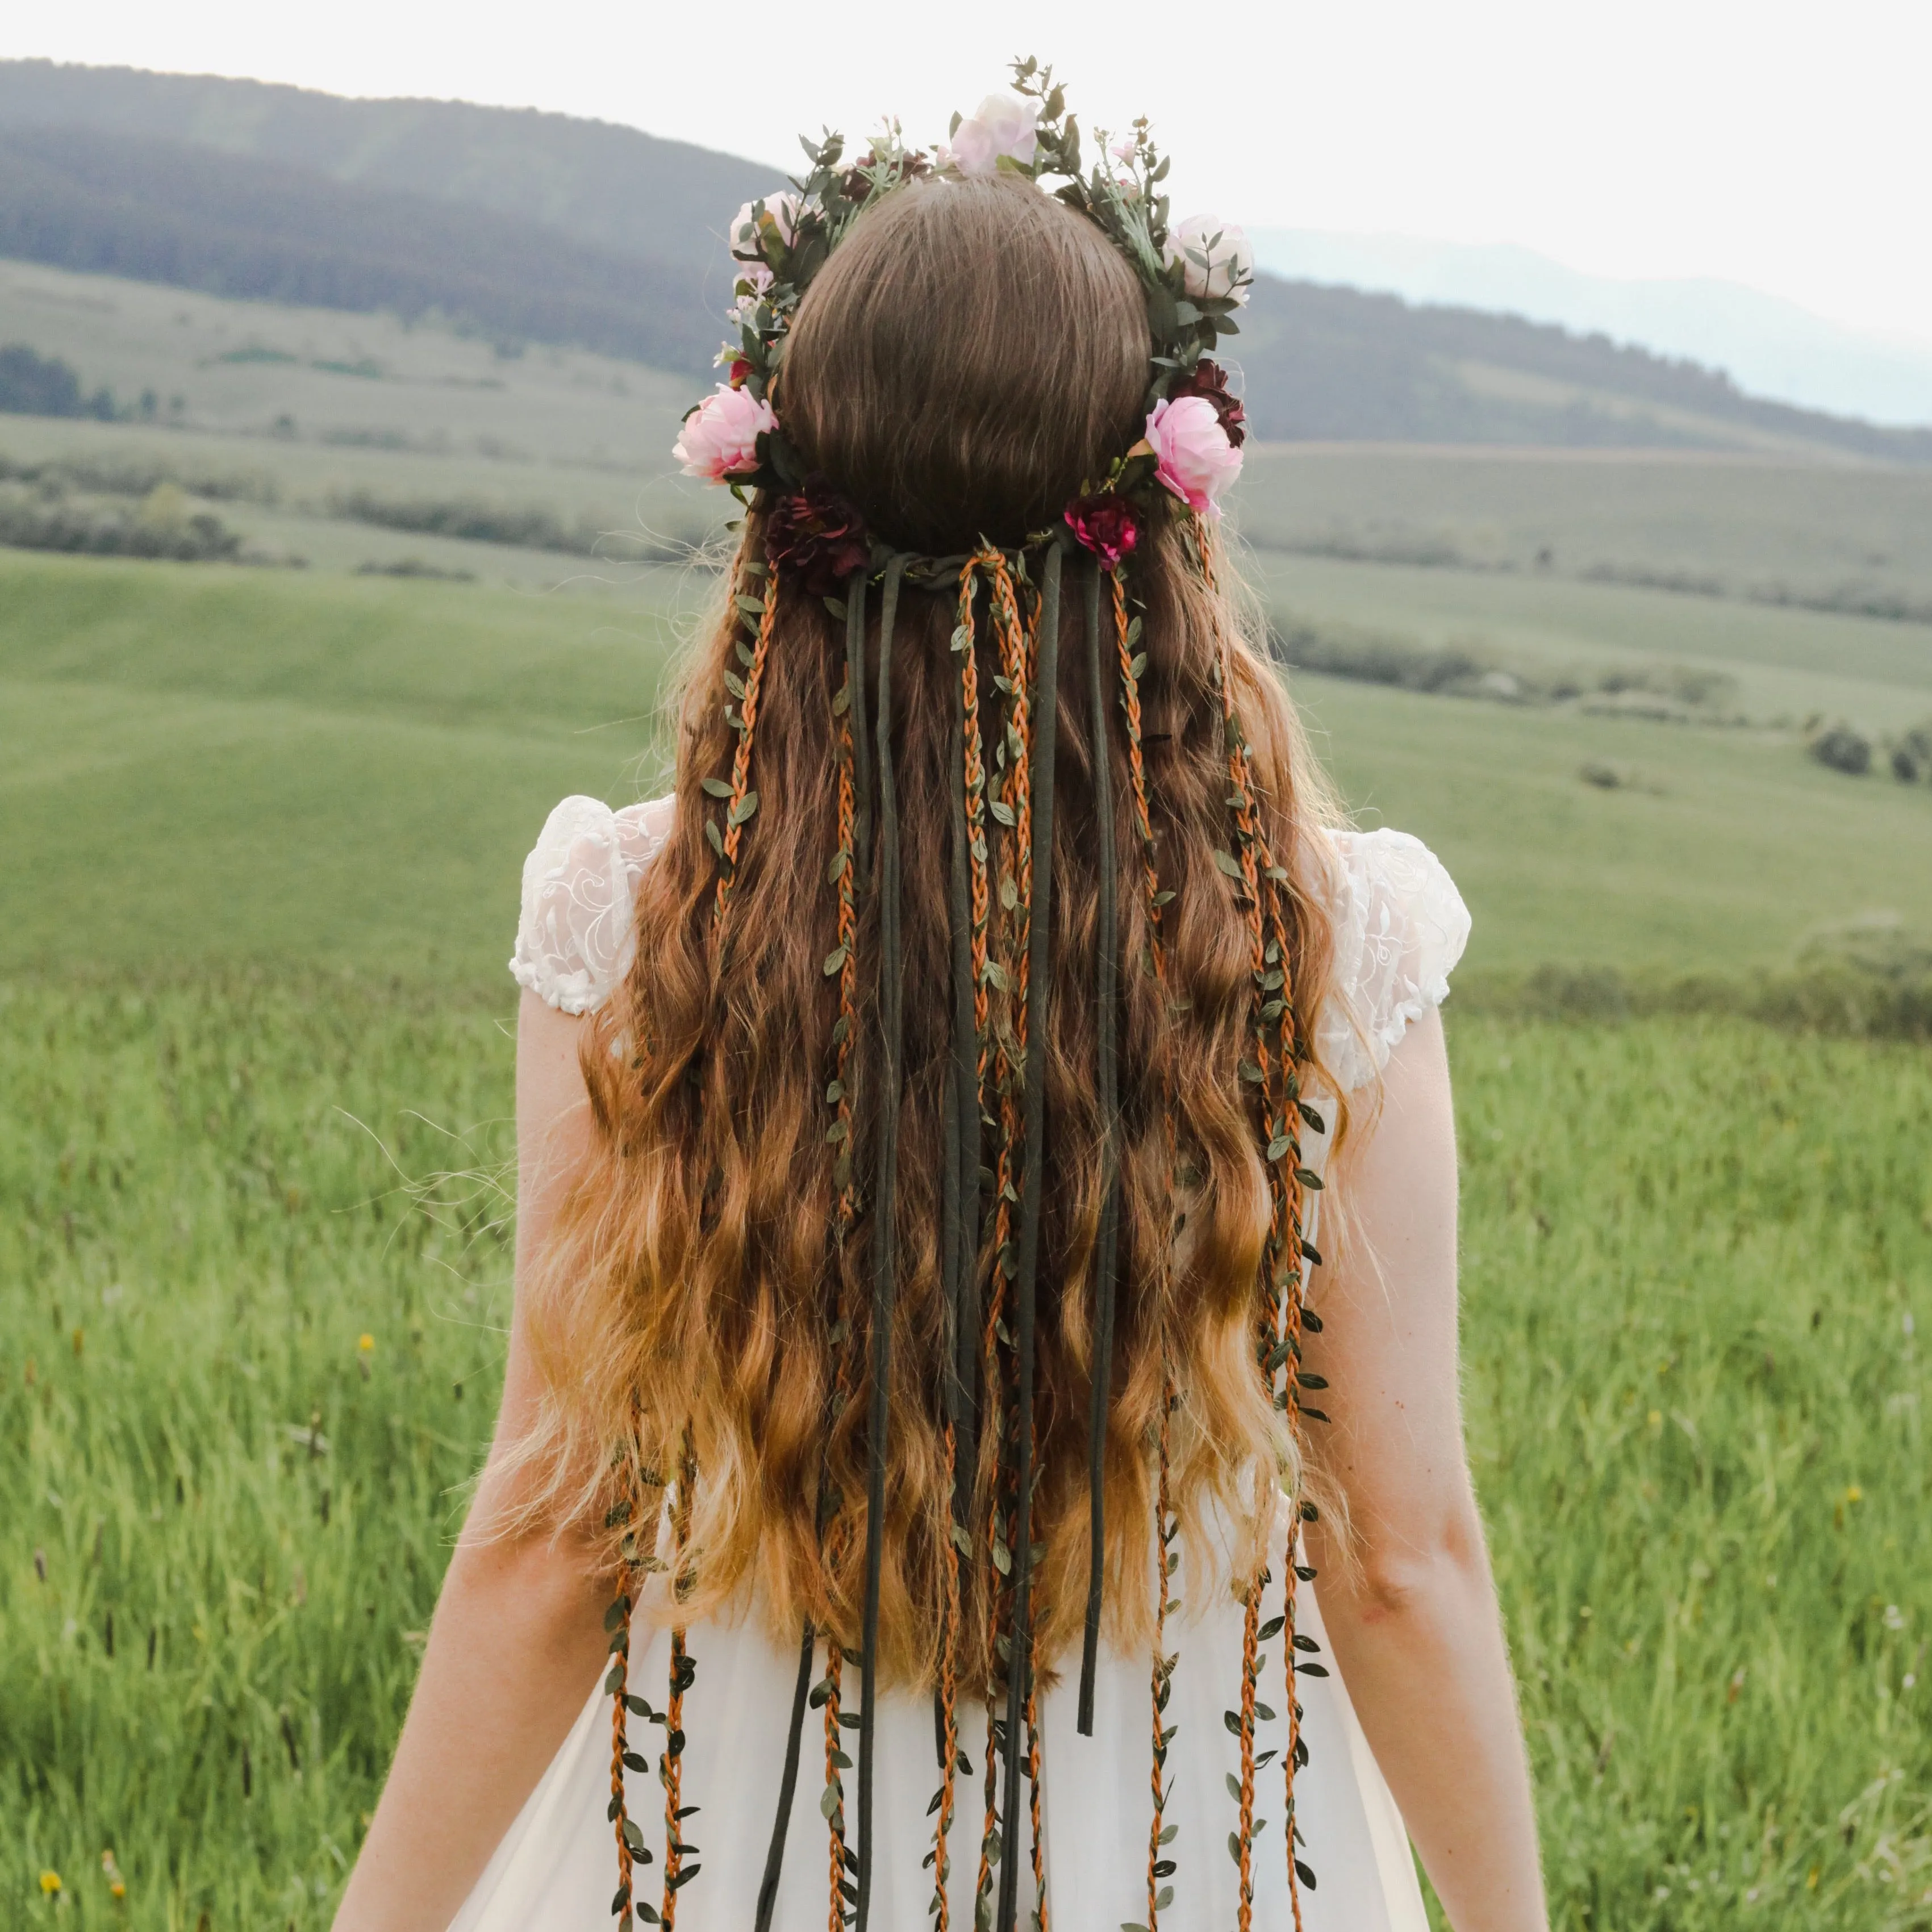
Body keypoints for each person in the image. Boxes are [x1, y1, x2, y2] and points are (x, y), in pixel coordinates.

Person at [333, 73, 1547, 1932]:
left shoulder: (637, 918)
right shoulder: (1332, 943)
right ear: (1163, 526)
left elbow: (554, 1531)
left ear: (783, 514)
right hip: (1193, 1843)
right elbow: (1398, 1560)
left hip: (734, 1843)